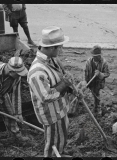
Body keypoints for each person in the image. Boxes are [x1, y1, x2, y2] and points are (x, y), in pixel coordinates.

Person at [27, 26, 82, 157]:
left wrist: (73, 89)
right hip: (51, 114)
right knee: (52, 141)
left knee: (62, 134)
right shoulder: (37, 71)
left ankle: (61, 152)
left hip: (61, 108)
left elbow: (63, 78)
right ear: (52, 48)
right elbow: (45, 96)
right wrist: (64, 83)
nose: (61, 50)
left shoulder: (52, 59)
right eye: (60, 47)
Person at [84, 45, 110, 116]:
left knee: (96, 95)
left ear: (99, 56)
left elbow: (107, 73)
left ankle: (97, 108)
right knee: (92, 93)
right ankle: (95, 105)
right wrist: (86, 81)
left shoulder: (104, 63)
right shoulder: (89, 61)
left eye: (95, 56)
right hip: (90, 81)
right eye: (93, 56)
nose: (94, 57)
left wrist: (101, 74)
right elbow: (86, 71)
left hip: (98, 83)